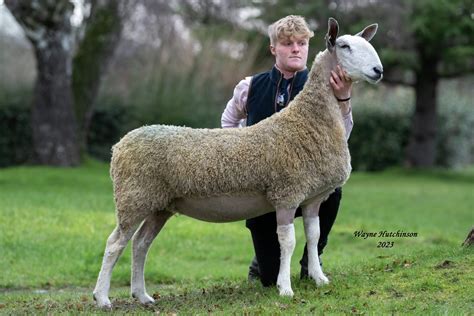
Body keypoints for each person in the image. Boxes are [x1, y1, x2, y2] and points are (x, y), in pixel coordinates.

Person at [221, 15, 353, 286]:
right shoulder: (250, 86)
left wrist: (344, 99)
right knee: (268, 278)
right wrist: (239, 155)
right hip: (260, 190)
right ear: (274, 49)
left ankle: (311, 261)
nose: (296, 48)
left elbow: (343, 137)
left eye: (302, 43)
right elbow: (228, 122)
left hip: (306, 187)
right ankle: (263, 262)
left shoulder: (327, 86)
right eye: (288, 43)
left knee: (333, 191)